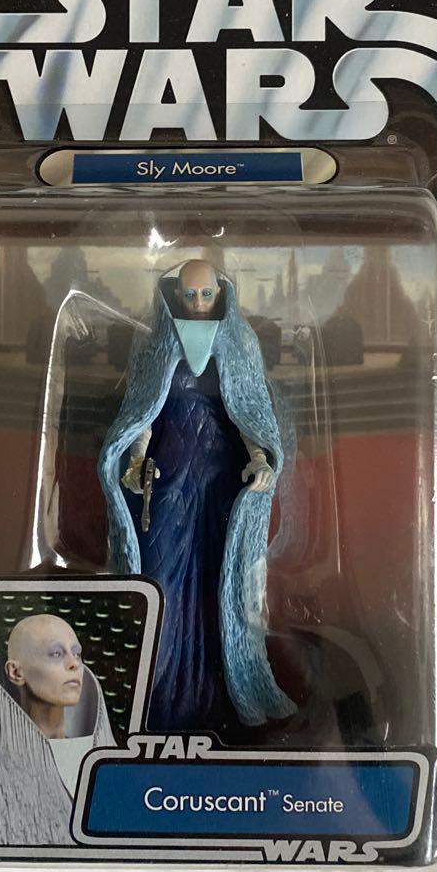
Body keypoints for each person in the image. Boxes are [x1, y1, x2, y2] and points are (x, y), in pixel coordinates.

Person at [98, 261, 296, 739]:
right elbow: (142, 413)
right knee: (161, 577)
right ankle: (156, 699)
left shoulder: (239, 343)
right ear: (175, 295)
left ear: (221, 293)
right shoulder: (153, 343)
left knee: (220, 581)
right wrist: (134, 461)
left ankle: (219, 698)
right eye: (190, 295)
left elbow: (249, 412)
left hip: (219, 479)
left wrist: (260, 460)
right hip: (168, 481)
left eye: (207, 294)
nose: (199, 303)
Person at [0, 614, 115, 846]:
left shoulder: (107, 759)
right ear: (15, 672)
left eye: (77, 654)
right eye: (56, 654)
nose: (74, 664)